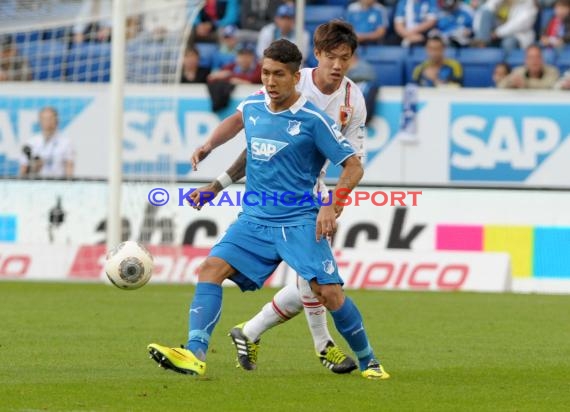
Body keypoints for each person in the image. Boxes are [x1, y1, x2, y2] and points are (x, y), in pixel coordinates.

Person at [148, 39, 389, 380]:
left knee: (329, 292)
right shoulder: (254, 107)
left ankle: (369, 361)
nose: (270, 82)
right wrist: (213, 177)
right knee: (210, 268)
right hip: (255, 219)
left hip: (299, 218)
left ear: (295, 77)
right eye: (265, 73)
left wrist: (330, 207)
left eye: (278, 75)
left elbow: (353, 167)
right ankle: (194, 353)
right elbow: (243, 136)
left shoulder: (313, 120)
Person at [19, 107, 74, 179]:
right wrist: (35, 168)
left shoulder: (66, 143)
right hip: (35, 185)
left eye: (50, 118)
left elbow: (69, 169)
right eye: (44, 119)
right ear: (39, 121)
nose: (48, 122)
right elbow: (23, 171)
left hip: (58, 185)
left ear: (57, 121)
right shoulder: (31, 143)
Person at [471, 0, 538, 50]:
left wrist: (497, 33)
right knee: (486, 13)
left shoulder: (529, 4)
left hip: (517, 35)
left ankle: (506, 65)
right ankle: (481, 46)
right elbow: (486, 9)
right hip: (496, 32)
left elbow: (517, 25)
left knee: (508, 43)